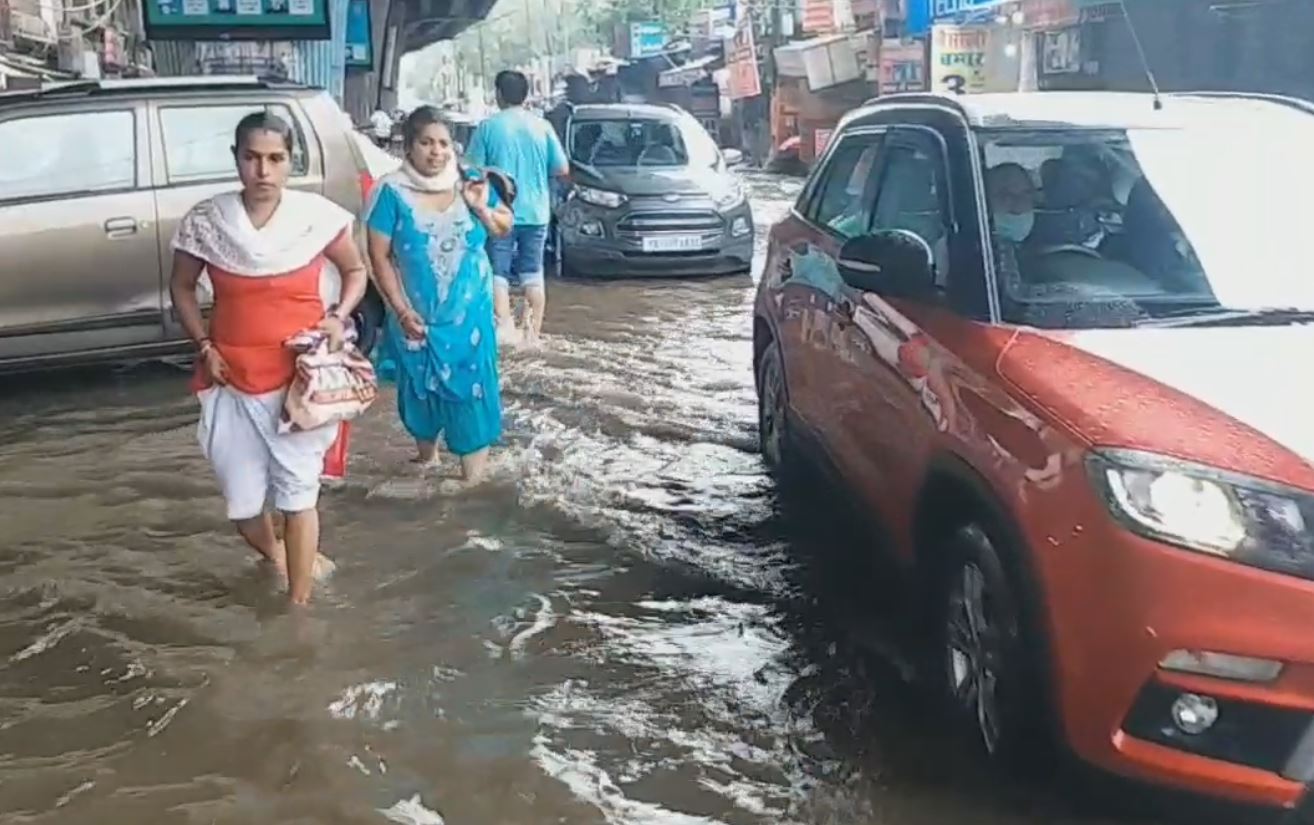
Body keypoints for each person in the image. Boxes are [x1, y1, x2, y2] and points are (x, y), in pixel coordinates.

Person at [169, 112, 369, 605]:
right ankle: (279, 558)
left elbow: (356, 270)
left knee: (298, 495)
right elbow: (182, 287)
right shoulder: (208, 222)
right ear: (235, 159)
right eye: (252, 158)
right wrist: (204, 347)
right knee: (241, 507)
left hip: (300, 380)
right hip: (230, 376)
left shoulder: (317, 217)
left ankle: (298, 608)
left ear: (290, 163)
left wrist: (337, 317)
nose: (263, 171)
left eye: (275, 159)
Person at [365, 106, 514, 481]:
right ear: (408, 147)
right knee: (418, 385)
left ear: (454, 147)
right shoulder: (391, 191)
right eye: (426, 143)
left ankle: (472, 481)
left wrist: (480, 207)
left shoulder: (471, 181)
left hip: (469, 314)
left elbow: (503, 228)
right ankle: (427, 459)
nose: (436, 152)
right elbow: (378, 256)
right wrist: (399, 309)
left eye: (443, 143)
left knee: (472, 387)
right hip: (414, 312)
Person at [465, 69, 571, 344]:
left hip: (499, 213)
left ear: (499, 94)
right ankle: (533, 336)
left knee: (498, 271)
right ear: (525, 95)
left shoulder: (488, 128)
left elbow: (472, 172)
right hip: (537, 212)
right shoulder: (542, 126)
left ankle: (506, 331)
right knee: (532, 272)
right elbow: (561, 168)